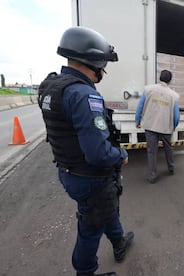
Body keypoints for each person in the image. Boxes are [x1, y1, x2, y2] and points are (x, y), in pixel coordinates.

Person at [38, 27, 134, 276]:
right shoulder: (84, 95)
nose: (103, 71)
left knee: (104, 211)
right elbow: (99, 153)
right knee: (90, 229)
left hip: (69, 170)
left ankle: (119, 242)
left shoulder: (51, 86)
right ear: (93, 61)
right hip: (90, 177)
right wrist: (121, 156)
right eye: (103, 66)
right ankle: (85, 272)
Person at [135, 70, 180, 183]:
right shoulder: (174, 95)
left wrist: (137, 120)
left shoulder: (148, 89)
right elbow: (176, 115)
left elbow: (140, 106)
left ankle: (152, 176)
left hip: (150, 125)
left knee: (152, 151)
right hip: (166, 127)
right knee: (168, 148)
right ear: (170, 80)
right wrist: (174, 125)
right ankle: (171, 168)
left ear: (160, 78)